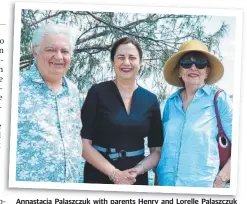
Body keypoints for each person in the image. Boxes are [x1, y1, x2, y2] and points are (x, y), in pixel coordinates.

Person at [81, 37, 163, 185]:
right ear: (113, 61)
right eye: (121, 57)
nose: (126, 62)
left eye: (132, 58)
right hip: (98, 176)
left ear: (140, 62)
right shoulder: (97, 92)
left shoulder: (151, 99)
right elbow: (84, 144)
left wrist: (138, 170)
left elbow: (156, 150)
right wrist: (115, 174)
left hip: (136, 178)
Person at [157, 39, 232, 188]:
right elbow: (161, 147)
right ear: (179, 71)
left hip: (202, 189)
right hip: (166, 187)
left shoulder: (219, 99)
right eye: (186, 63)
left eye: (200, 63)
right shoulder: (170, 103)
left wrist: (221, 179)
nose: (193, 67)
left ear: (207, 70)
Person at [16, 23, 83, 182]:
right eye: (51, 49)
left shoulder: (72, 91)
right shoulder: (15, 86)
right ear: (35, 51)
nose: (59, 57)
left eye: (65, 51)